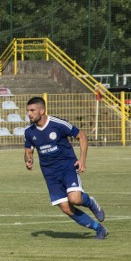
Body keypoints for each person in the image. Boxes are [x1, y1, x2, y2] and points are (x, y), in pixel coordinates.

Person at [24, 96, 108, 240]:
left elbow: (81, 135)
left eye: (32, 110)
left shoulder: (58, 124)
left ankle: (91, 202)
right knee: (66, 208)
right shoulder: (29, 132)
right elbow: (28, 151)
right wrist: (28, 160)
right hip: (49, 173)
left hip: (67, 166)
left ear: (42, 111)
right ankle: (99, 229)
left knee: (75, 199)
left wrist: (82, 159)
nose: (29, 114)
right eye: (27, 111)